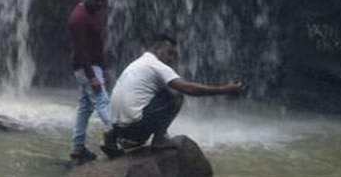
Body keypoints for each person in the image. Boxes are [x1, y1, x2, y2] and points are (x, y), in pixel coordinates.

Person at [102, 33, 247, 157]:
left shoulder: (136, 64)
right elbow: (188, 88)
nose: (172, 59)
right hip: (135, 130)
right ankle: (159, 140)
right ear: (157, 48)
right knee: (176, 95)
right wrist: (225, 89)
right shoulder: (156, 65)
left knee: (156, 92)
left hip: (120, 129)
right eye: (169, 53)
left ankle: (112, 135)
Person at [67, 0, 111, 164]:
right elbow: (81, 50)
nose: (100, 4)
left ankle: (77, 149)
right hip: (86, 68)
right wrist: (93, 76)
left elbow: (97, 44)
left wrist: (102, 67)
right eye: (97, 0)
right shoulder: (78, 18)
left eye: (103, 0)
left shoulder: (93, 12)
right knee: (102, 102)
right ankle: (121, 138)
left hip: (94, 67)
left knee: (85, 108)